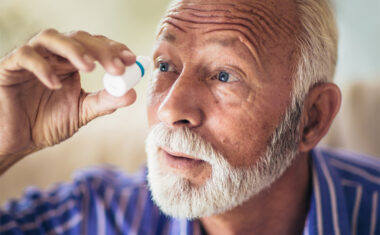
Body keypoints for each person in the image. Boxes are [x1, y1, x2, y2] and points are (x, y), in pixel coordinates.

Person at [0, 0, 379, 234]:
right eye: (166, 65)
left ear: (312, 118)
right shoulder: (96, 214)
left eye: (224, 75)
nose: (170, 109)